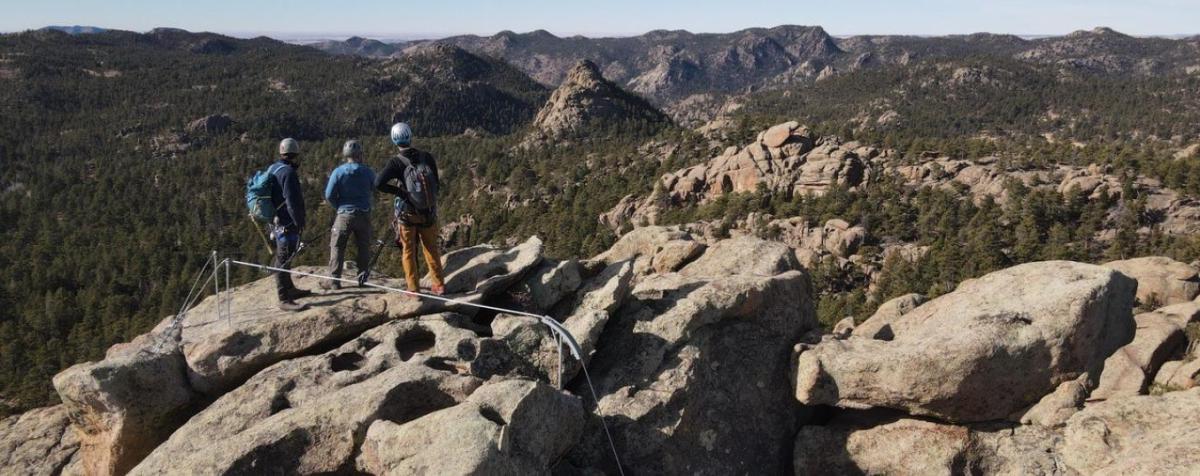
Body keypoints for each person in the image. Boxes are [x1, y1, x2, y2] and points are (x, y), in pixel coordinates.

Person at [375, 122, 446, 295]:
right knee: (431, 248)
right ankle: (439, 285)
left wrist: (401, 192)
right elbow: (436, 183)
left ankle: (413, 288)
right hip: (428, 212)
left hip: (407, 214)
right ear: (410, 136)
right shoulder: (426, 157)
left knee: (408, 250)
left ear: (394, 140)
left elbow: (378, 183)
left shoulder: (396, 163)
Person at [320, 140, 376, 290]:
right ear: (359, 154)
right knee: (363, 247)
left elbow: (329, 194)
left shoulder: (338, 172)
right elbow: (375, 187)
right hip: (363, 213)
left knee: (337, 246)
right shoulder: (367, 171)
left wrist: (338, 206)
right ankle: (362, 279)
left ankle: (334, 281)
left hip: (344, 213)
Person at [272, 138, 311, 311]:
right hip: (286, 221)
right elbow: (292, 201)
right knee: (283, 257)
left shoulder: (274, 168)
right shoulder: (288, 173)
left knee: (284, 256)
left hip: (275, 221)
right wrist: (300, 222)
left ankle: (290, 289)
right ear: (294, 155)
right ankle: (284, 298)